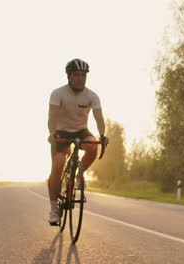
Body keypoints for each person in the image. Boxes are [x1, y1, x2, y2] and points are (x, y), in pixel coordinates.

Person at [47, 59, 107, 225]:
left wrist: (102, 135)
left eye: (83, 75)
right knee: (58, 164)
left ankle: (79, 174)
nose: (80, 78)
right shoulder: (58, 93)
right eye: (76, 75)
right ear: (69, 76)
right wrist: (52, 133)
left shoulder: (91, 96)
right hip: (61, 131)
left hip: (81, 130)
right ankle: (53, 209)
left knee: (93, 146)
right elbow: (52, 116)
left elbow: (99, 117)